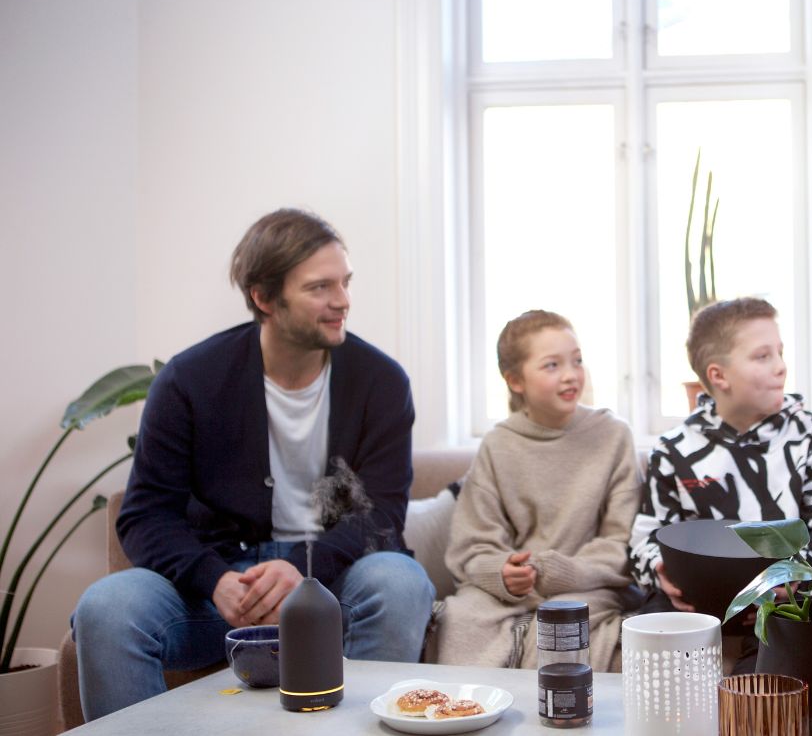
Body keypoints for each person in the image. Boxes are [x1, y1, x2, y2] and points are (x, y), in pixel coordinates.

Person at [72, 209, 435, 721]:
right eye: (320, 288)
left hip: (333, 584)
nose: (342, 301)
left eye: (345, 283)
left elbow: (381, 515)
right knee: (107, 609)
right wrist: (214, 578)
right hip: (219, 588)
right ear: (264, 298)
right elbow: (146, 514)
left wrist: (302, 568)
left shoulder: (381, 382)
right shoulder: (189, 380)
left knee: (400, 583)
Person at [436, 310, 641, 670]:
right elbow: (471, 546)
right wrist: (502, 573)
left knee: (564, 623)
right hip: (508, 594)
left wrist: (565, 572)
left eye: (576, 361)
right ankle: (470, 713)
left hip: (589, 585)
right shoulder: (498, 445)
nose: (570, 375)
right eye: (551, 365)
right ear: (515, 380)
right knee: (462, 616)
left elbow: (621, 541)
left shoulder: (614, 435)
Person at [628, 297, 812, 620]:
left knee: (785, 641)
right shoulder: (673, 449)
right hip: (698, 603)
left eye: (780, 352)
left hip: (787, 602)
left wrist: (791, 584)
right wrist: (658, 569)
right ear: (719, 376)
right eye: (763, 356)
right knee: (654, 623)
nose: (780, 366)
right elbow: (647, 536)